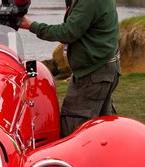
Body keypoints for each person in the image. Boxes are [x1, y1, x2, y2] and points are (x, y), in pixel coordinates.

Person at [20, 0, 121, 137]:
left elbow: (68, 32)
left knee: (73, 130)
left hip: (93, 73)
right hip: (103, 68)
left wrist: (32, 26)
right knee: (102, 126)